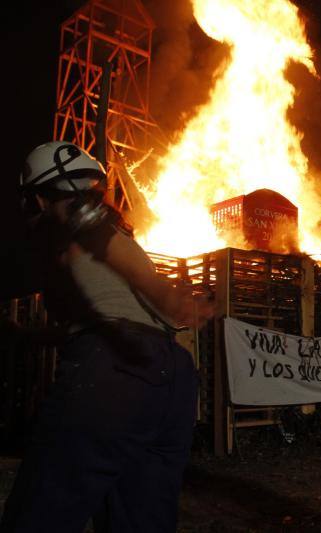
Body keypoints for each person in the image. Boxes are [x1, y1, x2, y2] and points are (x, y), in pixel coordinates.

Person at [1, 141, 213, 532]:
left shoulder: (66, 215)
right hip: (170, 376)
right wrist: (27, 336)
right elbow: (89, 321)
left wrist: (161, 290)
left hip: (113, 372)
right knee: (140, 519)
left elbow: (94, 230)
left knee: (41, 513)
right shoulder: (107, 239)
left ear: (38, 198)